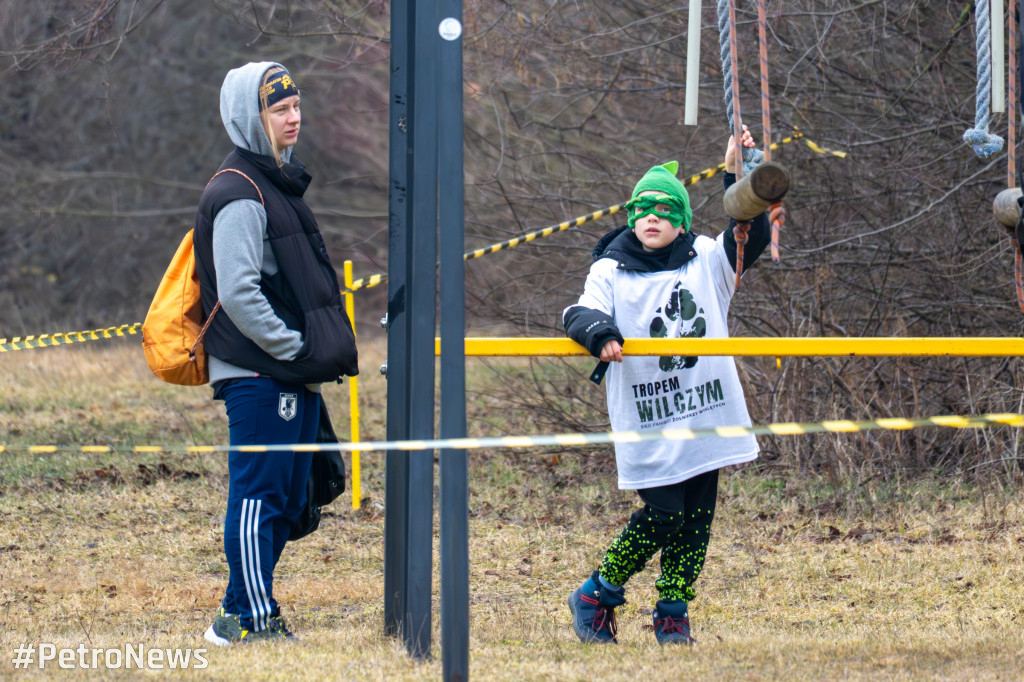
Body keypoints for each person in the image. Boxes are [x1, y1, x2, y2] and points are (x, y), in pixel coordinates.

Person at [562, 127, 767, 645]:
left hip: (705, 412)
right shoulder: (610, 268)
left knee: (695, 522)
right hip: (649, 417)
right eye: (643, 209)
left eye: (665, 210)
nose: (653, 217)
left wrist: (739, 172)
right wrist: (600, 333)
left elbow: (750, 237)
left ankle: (672, 612)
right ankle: (597, 593)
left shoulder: (705, 257)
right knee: (662, 515)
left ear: (682, 219)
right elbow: (581, 311)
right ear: (632, 217)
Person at [192, 62, 359, 645]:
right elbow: (239, 291)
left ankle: (235, 614)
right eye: (279, 110)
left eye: (295, 107)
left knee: (294, 499)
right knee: (259, 498)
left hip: (291, 374)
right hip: (262, 374)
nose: (294, 118)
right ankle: (255, 619)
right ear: (250, 118)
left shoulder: (275, 183)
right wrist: (293, 349)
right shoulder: (238, 191)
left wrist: (304, 359)